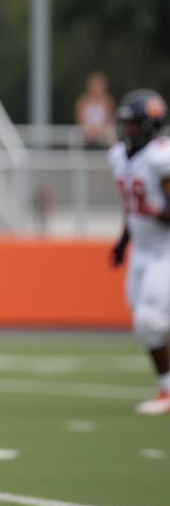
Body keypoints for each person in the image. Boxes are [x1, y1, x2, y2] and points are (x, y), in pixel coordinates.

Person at [108, 89, 170, 415]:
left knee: (149, 320)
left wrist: (154, 212)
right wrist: (122, 241)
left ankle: (167, 390)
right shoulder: (119, 156)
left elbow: (153, 208)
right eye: (126, 124)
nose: (128, 130)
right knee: (144, 318)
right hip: (142, 249)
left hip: (165, 248)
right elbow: (131, 208)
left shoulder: (162, 157)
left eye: (135, 124)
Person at [76, 71, 116, 150]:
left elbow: (110, 119)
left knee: (111, 135)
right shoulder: (83, 101)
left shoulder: (108, 101)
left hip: (103, 134)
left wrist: (99, 131)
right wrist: (90, 131)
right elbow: (81, 120)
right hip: (88, 135)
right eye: (94, 85)